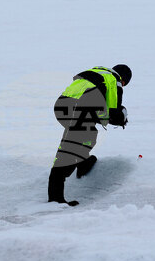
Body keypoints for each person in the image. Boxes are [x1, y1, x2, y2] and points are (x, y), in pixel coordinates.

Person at [48, 64, 132, 206]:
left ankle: (84, 163)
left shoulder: (96, 74)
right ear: (123, 80)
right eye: (124, 84)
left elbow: (97, 106)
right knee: (69, 152)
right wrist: (123, 117)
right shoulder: (114, 80)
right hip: (81, 110)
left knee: (85, 137)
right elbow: (113, 113)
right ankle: (55, 199)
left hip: (62, 106)